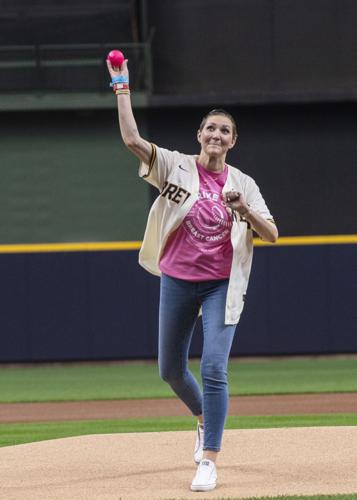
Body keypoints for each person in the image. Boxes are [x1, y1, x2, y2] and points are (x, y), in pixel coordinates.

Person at [106, 57, 278, 492]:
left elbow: (272, 233)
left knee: (215, 367)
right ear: (199, 135)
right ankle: (202, 418)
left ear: (233, 141)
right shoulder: (175, 166)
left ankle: (209, 458)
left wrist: (244, 210)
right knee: (170, 370)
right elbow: (131, 139)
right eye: (211, 128)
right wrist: (122, 87)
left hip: (222, 285)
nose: (216, 134)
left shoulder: (244, 183)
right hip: (178, 280)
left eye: (225, 130)